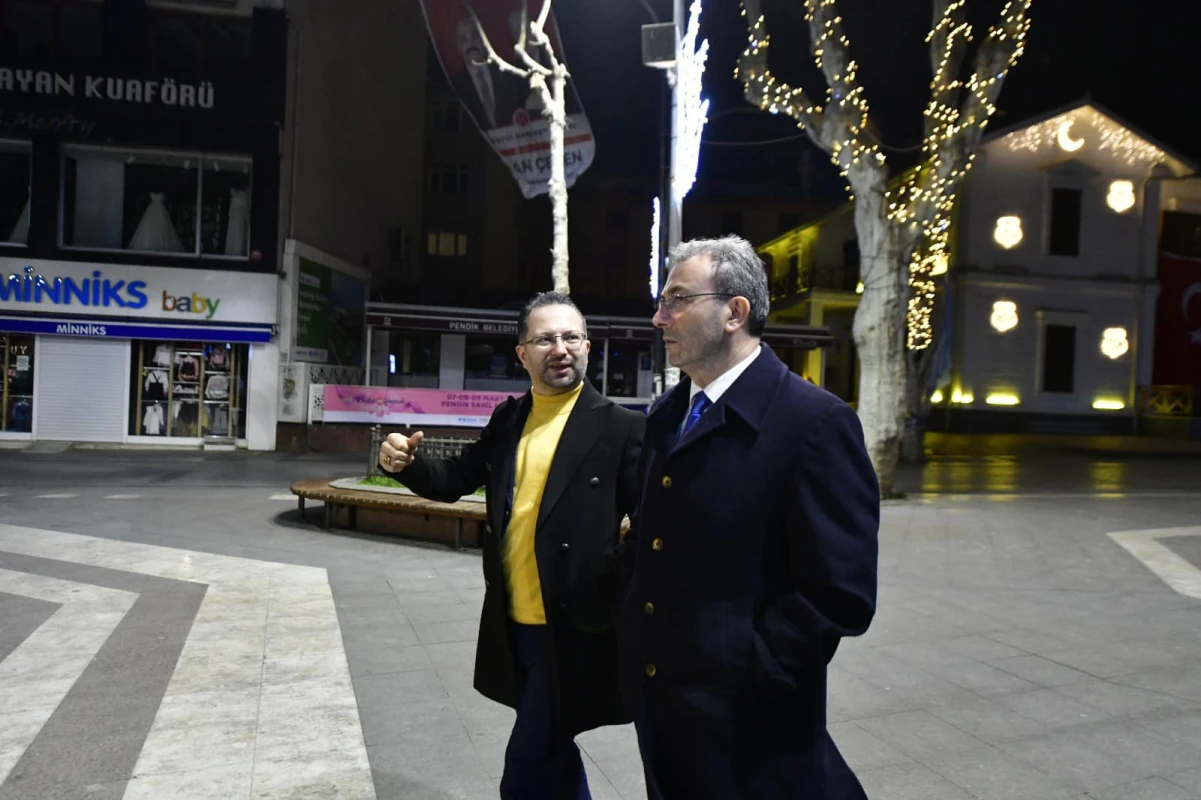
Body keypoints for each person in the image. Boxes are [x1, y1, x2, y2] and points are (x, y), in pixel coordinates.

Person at [617, 236, 880, 799]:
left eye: (678, 300)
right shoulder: (667, 416)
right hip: (664, 707)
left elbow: (841, 593)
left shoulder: (815, 423)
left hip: (751, 726)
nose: (659, 316)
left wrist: (748, 668)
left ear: (735, 312)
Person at [379, 292, 645, 800]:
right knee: (552, 746)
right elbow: (456, 476)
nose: (560, 348)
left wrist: (608, 569)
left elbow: (654, 520)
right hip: (513, 620)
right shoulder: (510, 419)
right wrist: (405, 464)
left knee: (527, 759)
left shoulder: (622, 427)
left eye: (571, 337)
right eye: (545, 339)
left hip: (574, 622)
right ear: (523, 353)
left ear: (588, 346)